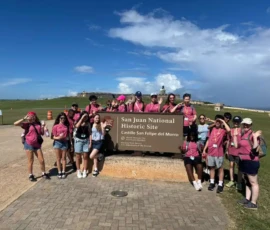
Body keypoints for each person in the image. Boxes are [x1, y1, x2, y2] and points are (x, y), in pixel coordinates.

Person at [234, 118, 261, 210]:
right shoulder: (243, 134)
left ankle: (253, 203)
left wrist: (255, 137)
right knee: (247, 181)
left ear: (251, 125)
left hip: (251, 161)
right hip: (243, 160)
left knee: (253, 182)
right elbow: (237, 146)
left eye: (247, 124)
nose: (245, 126)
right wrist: (235, 136)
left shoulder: (253, 135)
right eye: (244, 124)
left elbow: (255, 149)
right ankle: (247, 199)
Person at [14, 112, 50, 181]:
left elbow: (41, 133)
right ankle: (30, 175)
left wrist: (44, 128)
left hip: (37, 145)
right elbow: (15, 123)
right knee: (30, 160)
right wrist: (24, 118)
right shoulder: (27, 125)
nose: (31, 117)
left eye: (33, 116)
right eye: (30, 116)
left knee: (41, 160)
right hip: (29, 144)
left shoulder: (38, 124)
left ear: (35, 117)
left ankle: (43, 173)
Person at [202, 115, 231, 193]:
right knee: (211, 167)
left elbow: (229, 130)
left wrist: (223, 122)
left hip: (219, 153)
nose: (217, 123)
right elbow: (208, 140)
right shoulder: (212, 129)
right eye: (216, 121)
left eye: (219, 121)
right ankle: (212, 182)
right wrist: (205, 150)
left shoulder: (223, 130)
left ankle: (220, 184)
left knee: (220, 169)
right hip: (211, 152)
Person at [52, 113, 71, 179]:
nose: (63, 119)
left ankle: (63, 171)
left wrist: (68, 140)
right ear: (59, 118)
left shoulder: (66, 126)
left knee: (64, 158)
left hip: (64, 142)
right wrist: (58, 138)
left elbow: (68, 135)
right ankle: (59, 171)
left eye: (64, 118)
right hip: (57, 143)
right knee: (58, 158)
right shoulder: (55, 126)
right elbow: (53, 136)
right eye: (61, 118)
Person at [225, 116, 243, 190]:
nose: (236, 123)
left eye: (237, 122)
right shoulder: (231, 130)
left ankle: (239, 182)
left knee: (239, 167)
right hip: (231, 150)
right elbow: (229, 140)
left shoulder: (242, 131)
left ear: (240, 123)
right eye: (234, 121)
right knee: (231, 165)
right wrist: (226, 150)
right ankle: (231, 180)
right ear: (233, 122)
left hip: (239, 152)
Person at [74, 111, 92, 178]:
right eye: (84, 116)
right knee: (78, 157)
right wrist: (81, 119)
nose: (85, 117)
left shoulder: (88, 124)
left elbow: (90, 133)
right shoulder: (78, 122)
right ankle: (78, 170)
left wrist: (90, 142)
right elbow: (76, 126)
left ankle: (84, 170)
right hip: (78, 140)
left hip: (86, 141)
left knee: (85, 156)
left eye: (86, 116)